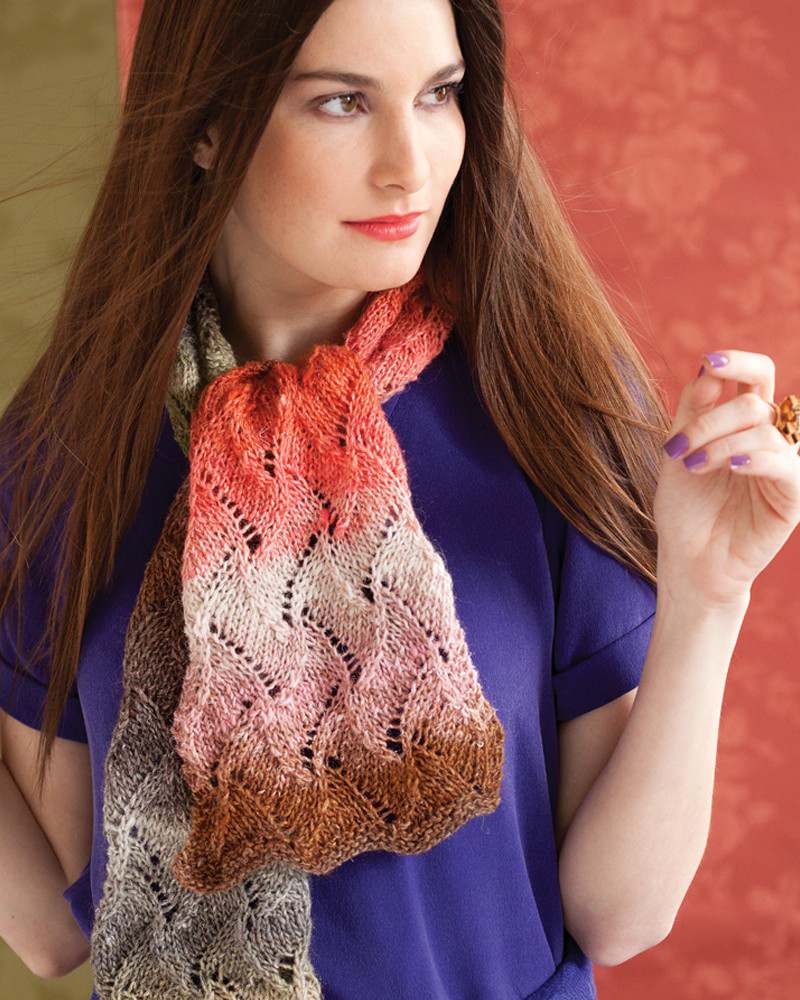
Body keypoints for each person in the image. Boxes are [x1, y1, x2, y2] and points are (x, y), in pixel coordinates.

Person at [3, 1, 798, 998]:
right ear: (205, 124)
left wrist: (709, 597)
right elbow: (54, 926)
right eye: (341, 102)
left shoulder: (541, 401)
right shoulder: (67, 450)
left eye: (438, 94)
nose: (410, 166)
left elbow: (619, 914)